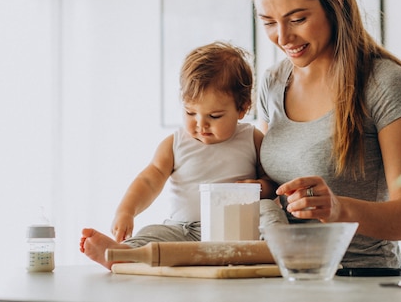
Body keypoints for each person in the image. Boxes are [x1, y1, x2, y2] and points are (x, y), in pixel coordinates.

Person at [251, 0, 401, 271]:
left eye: (297, 19)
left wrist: (337, 208)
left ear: (335, 0)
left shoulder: (383, 83)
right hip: (283, 277)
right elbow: (270, 178)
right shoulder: (273, 82)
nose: (283, 37)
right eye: (268, 22)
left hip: (361, 278)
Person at [80, 41, 276, 269]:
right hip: (182, 230)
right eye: (190, 112)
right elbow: (148, 180)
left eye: (214, 116)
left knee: (268, 211)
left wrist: (259, 187)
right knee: (152, 233)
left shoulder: (252, 138)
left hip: (233, 230)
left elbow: (272, 182)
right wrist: (126, 211)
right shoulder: (175, 143)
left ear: (242, 108)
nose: (200, 125)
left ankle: (277, 248)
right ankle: (126, 253)